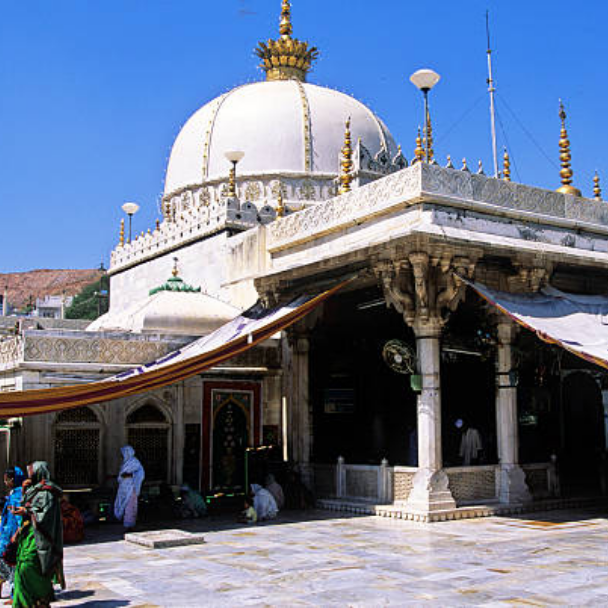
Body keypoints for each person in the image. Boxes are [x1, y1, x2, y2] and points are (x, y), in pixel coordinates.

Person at [11, 461, 64, 608]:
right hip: (28, 534)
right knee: (21, 565)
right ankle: (25, 603)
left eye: (32, 472)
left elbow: (45, 514)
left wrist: (27, 511)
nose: (30, 475)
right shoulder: (34, 489)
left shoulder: (48, 492)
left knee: (29, 565)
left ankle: (42, 596)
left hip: (41, 536)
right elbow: (27, 503)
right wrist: (24, 491)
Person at [0, 467, 25, 595]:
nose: (5, 482)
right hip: (6, 534)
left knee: (11, 565)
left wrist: (16, 535)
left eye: (6, 479)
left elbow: (20, 519)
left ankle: (15, 593)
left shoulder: (18, 496)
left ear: (12, 480)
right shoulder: (13, 494)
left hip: (11, 536)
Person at [114, 446, 145, 531]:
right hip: (124, 488)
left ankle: (129, 525)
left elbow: (140, 474)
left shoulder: (135, 462)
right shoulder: (125, 463)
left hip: (131, 488)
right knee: (123, 504)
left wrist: (129, 475)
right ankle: (126, 523)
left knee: (130, 506)